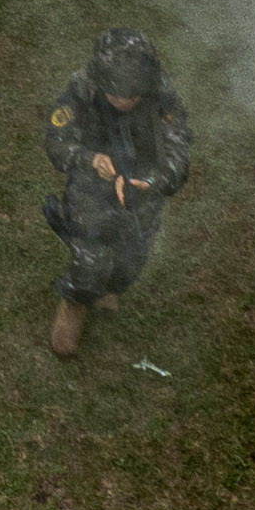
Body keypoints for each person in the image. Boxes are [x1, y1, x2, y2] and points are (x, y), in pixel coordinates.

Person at [40, 27, 192, 357]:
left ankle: (110, 288)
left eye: (132, 94)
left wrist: (156, 183)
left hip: (142, 186)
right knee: (90, 256)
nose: (124, 100)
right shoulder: (81, 89)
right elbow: (57, 141)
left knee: (133, 255)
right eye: (116, 93)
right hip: (91, 188)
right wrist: (89, 159)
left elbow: (180, 150)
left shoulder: (161, 92)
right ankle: (76, 302)